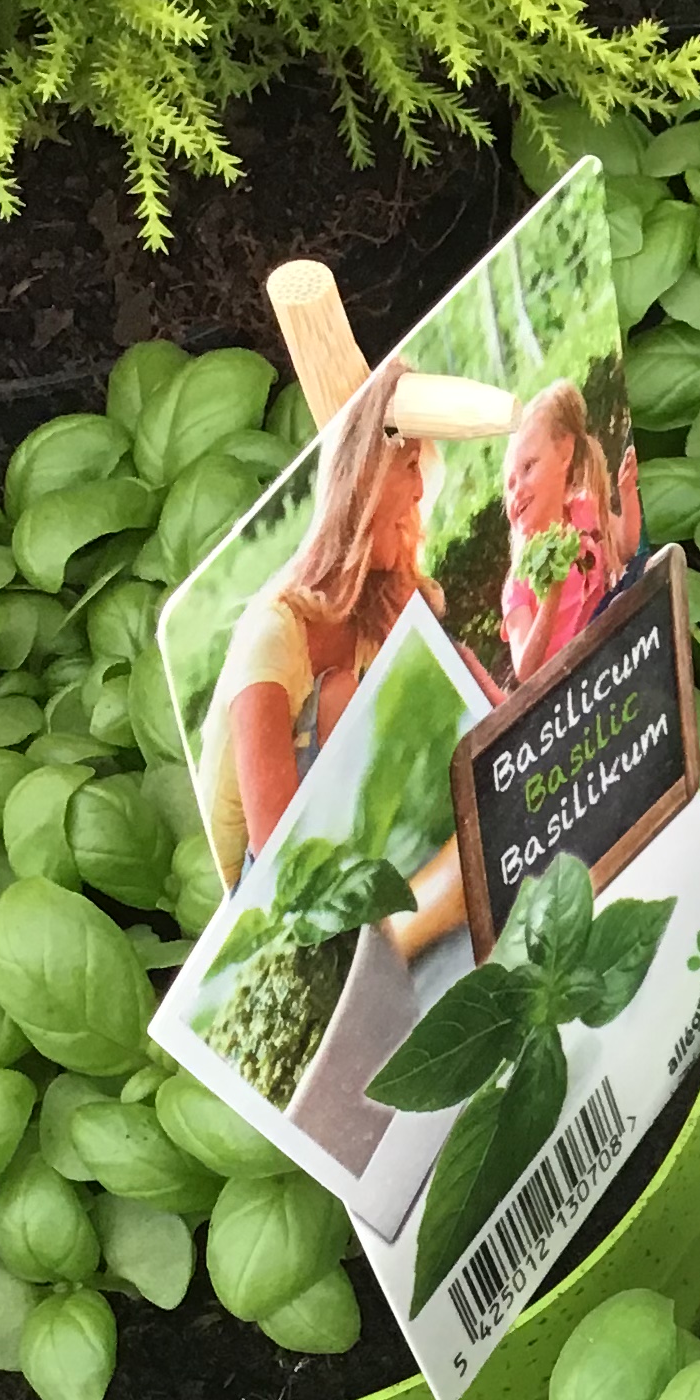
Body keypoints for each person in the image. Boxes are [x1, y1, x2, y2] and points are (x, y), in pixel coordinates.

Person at [195, 357, 467, 959]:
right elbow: (276, 855)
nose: (421, 488)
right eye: (410, 464)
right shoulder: (275, 633)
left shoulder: (373, 611)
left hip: (349, 857)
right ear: (363, 476)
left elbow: (456, 702)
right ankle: (395, 933)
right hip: (268, 891)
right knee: (344, 691)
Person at [500, 379, 645, 683]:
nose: (518, 491)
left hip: (606, 639)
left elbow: (626, 546)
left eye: (528, 468)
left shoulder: (584, 510)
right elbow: (526, 671)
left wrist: (627, 492)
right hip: (568, 682)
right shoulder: (519, 583)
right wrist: (551, 594)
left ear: (564, 453)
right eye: (510, 485)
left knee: (634, 581)